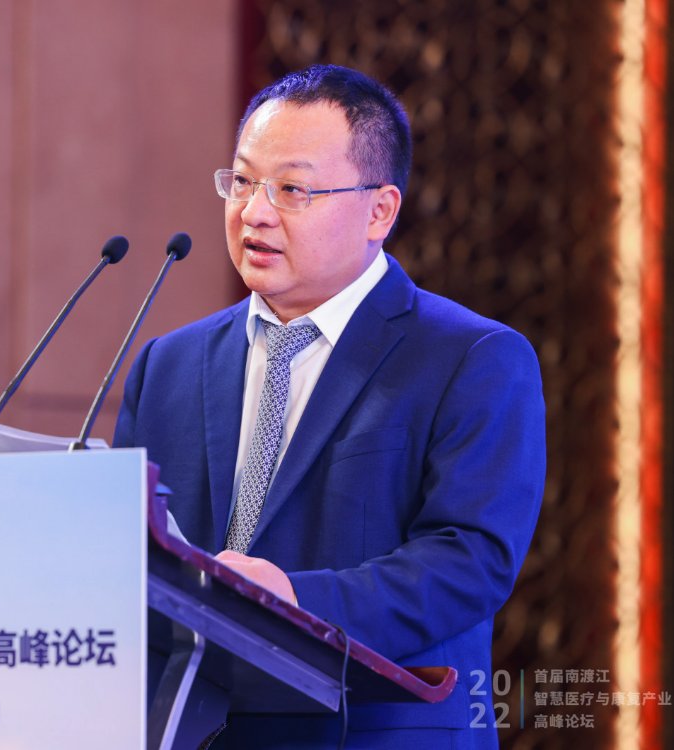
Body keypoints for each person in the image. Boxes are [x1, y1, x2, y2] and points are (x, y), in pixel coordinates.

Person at [114, 64, 545, 748]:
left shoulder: (472, 359)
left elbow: (469, 563)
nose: (254, 212)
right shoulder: (168, 364)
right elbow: (127, 554)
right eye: (242, 181)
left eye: (292, 189)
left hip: (370, 733)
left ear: (380, 211)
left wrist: (291, 602)